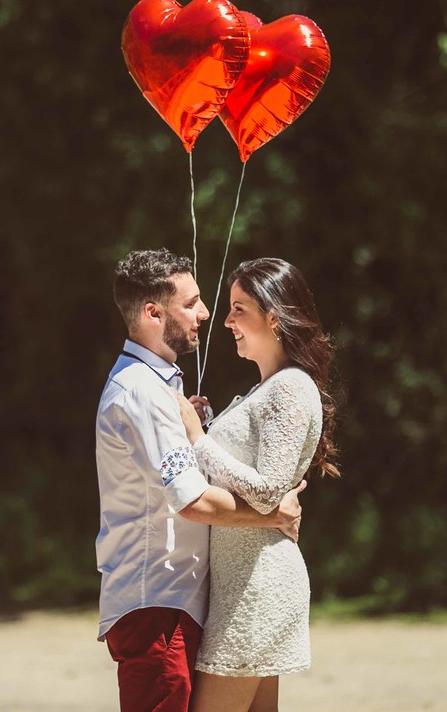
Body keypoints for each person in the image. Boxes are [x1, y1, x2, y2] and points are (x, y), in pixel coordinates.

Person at [95, 249, 307, 712]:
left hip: (172, 604)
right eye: (191, 303)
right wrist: (272, 515)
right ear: (153, 313)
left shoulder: (156, 387)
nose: (206, 313)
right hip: (157, 606)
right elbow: (190, 501)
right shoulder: (143, 392)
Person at [175, 257, 341, 712]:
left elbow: (267, 491)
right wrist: (208, 431)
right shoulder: (268, 387)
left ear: (274, 316)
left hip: (257, 588)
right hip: (246, 584)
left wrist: (196, 437)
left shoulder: (289, 386)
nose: (225, 320)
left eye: (238, 308)